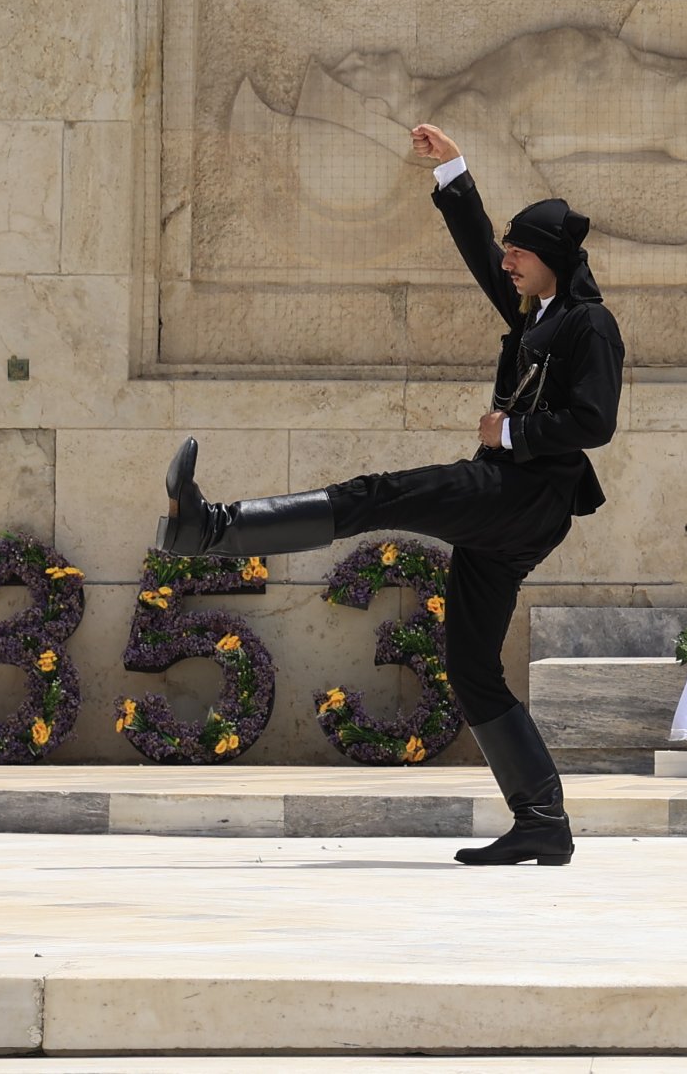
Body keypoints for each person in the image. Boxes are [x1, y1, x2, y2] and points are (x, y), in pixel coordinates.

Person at [154, 122, 625, 868]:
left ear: (554, 261)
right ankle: (542, 820)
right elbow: (480, 258)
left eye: (520, 252)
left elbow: (596, 422)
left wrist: (510, 433)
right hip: (511, 508)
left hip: (523, 493)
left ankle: (209, 529)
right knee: (470, 667)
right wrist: (454, 174)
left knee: (377, 495)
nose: (507, 261)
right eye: (508, 249)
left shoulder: (589, 324)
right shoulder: (536, 314)